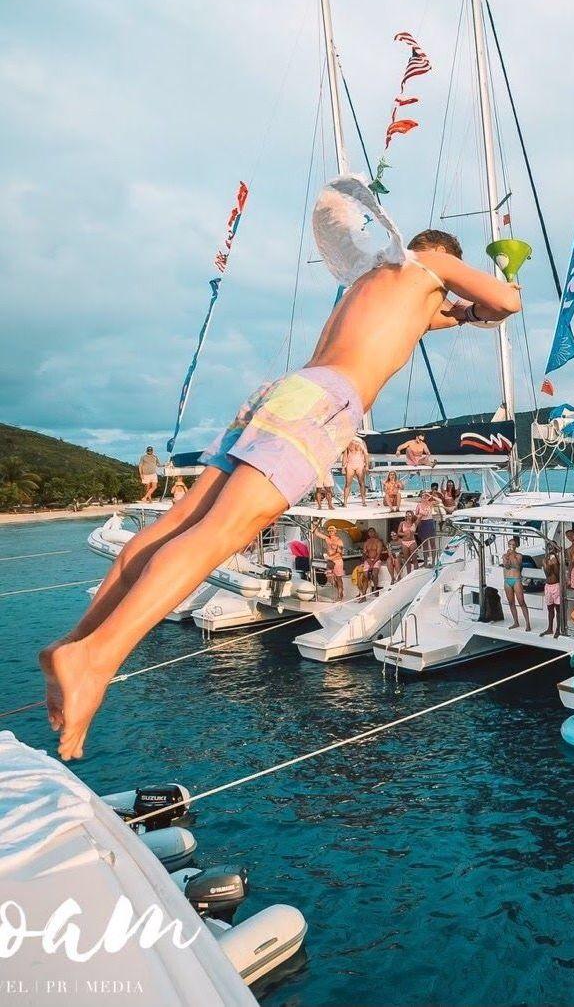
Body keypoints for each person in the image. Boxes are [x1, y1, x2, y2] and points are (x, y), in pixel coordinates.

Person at [42, 220, 521, 760]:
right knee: (221, 533)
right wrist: (501, 290)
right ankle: (97, 660)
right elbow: (505, 302)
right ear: (443, 258)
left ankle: (74, 642)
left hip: (286, 391)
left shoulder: (377, 280)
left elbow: (451, 315)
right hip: (325, 401)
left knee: (178, 523)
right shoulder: (429, 261)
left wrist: (470, 314)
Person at [501, 537, 530, 631]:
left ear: (516, 546)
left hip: (516, 580)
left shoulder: (519, 555)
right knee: (511, 602)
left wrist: (512, 555)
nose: (512, 546)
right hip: (507, 580)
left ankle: (528, 623)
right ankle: (516, 622)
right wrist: (506, 557)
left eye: (513, 545)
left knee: (521, 602)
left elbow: (517, 566)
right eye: (510, 544)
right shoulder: (505, 555)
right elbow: (506, 566)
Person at [540, 541, 562, 639]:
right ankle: (550, 628)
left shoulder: (558, 559)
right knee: (550, 608)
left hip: (556, 585)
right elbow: (547, 573)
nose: (551, 550)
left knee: (558, 609)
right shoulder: (545, 559)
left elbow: (557, 574)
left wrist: (555, 564)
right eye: (549, 548)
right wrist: (548, 564)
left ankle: (558, 629)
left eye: (552, 548)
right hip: (548, 586)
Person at [341, 435, 369, 506]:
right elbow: (345, 455)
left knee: (361, 483)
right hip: (350, 464)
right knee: (348, 483)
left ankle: (363, 501)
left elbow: (366, 454)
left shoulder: (362, 442)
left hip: (360, 464)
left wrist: (367, 465)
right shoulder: (348, 442)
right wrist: (343, 467)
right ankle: (345, 502)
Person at [361, 527, 384, 594]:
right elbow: (364, 554)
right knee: (366, 576)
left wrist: (373, 563)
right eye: (369, 532)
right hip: (368, 560)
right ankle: (364, 594)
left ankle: (375, 589)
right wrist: (369, 562)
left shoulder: (378, 542)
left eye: (372, 531)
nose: (371, 533)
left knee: (374, 574)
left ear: (375, 533)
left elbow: (378, 554)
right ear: (368, 533)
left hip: (376, 560)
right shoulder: (366, 542)